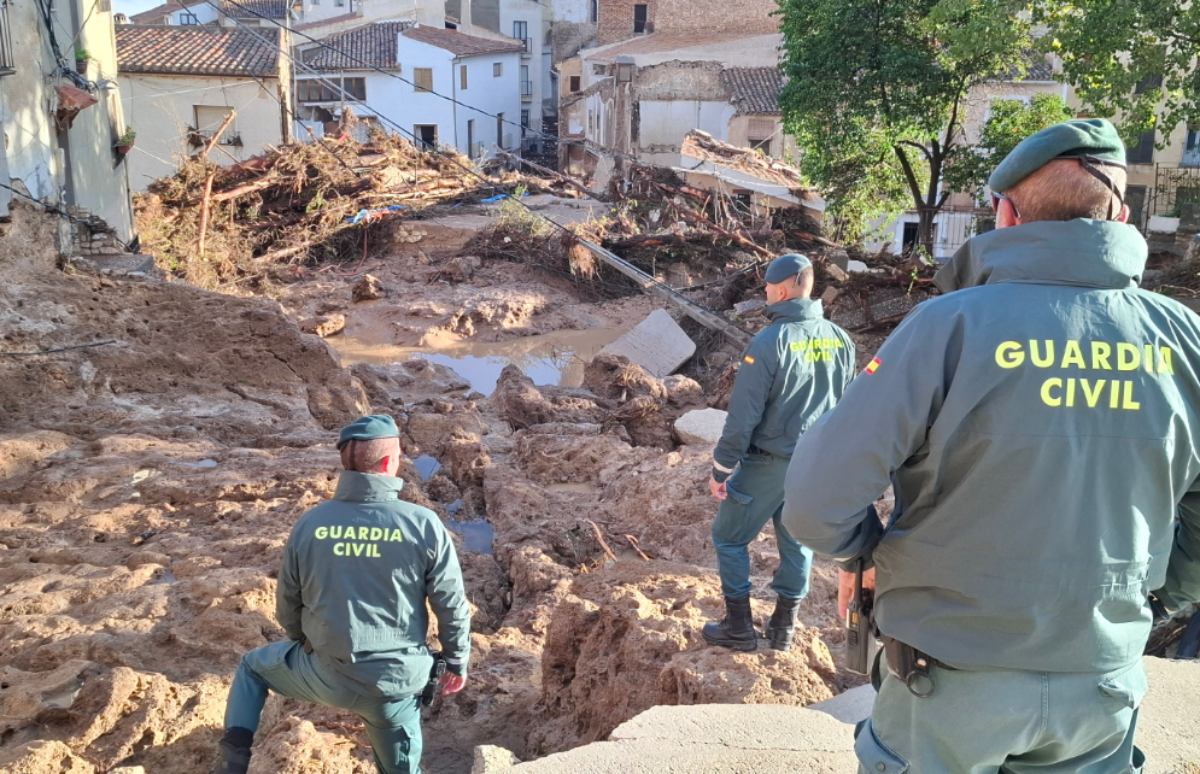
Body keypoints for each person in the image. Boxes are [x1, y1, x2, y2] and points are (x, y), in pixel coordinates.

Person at [782, 118, 1200, 772]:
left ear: (1004, 215)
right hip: (1102, 677)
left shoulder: (947, 327)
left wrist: (864, 556)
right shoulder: (1184, 339)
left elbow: (814, 497)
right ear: (1120, 214)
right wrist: (1158, 597)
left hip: (946, 680)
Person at [216, 415, 471, 774]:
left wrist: (304, 642)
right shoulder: (423, 524)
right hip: (392, 688)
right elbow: (451, 605)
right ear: (387, 462)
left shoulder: (311, 523)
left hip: (324, 674)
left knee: (252, 668)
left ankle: (233, 759)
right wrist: (457, 662)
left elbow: (288, 604)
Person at [703, 253, 856, 652]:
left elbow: (743, 418)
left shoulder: (770, 341)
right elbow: (847, 409)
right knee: (797, 541)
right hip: (814, 465)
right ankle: (783, 628)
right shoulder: (841, 339)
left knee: (729, 537)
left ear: (784, 289)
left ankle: (739, 627)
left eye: (768, 287)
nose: (765, 292)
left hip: (770, 463)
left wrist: (721, 470)